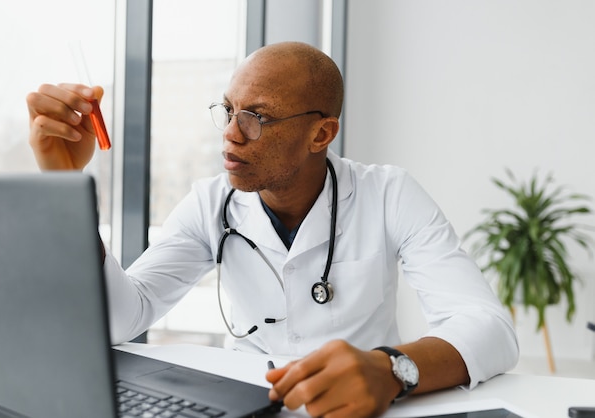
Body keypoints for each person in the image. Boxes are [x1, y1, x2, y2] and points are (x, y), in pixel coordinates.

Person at [26, 41, 518, 417]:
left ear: (321, 133)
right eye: (229, 110)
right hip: (246, 404)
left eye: (257, 117)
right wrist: (67, 186)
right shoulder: (209, 203)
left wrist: (390, 369)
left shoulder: (388, 194)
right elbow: (119, 320)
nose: (231, 134)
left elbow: (488, 329)